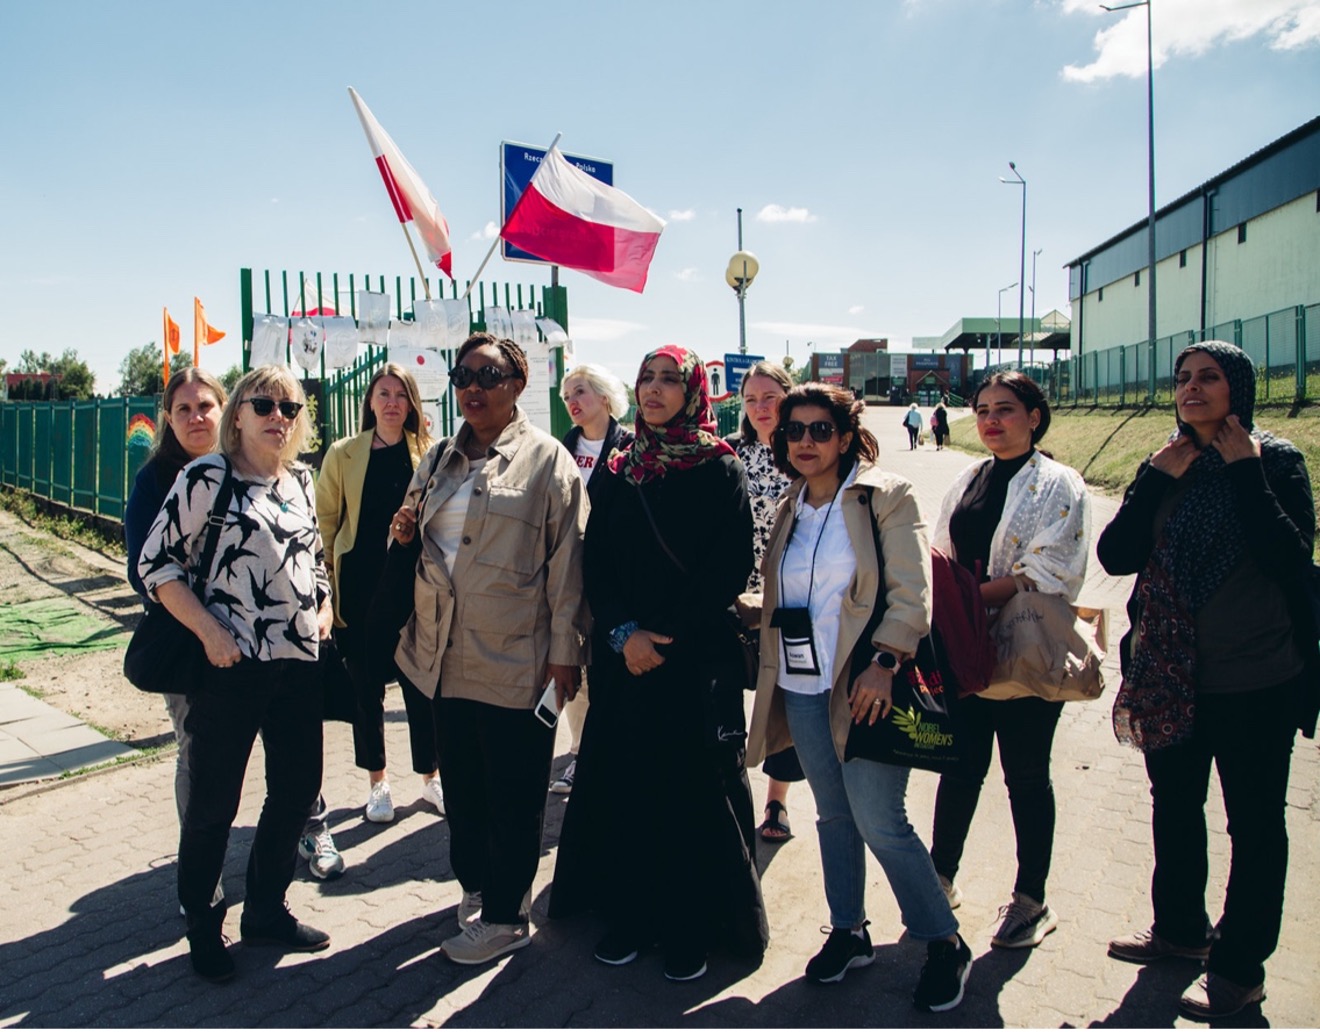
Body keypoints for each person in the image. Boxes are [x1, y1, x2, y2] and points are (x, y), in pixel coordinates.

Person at [1097, 341, 1317, 1021]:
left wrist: (1245, 469)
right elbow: (1115, 554)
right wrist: (1157, 478)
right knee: (1174, 809)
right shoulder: (1165, 461)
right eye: (1183, 378)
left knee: (1254, 827)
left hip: (1256, 681)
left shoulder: (1275, 461)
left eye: (1209, 377)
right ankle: (1181, 934)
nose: (1191, 388)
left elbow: (1291, 558)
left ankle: (1239, 972)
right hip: (1170, 676)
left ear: (1238, 388)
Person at [746, 382, 971, 1013]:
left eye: (820, 430)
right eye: (794, 431)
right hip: (803, 685)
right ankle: (849, 930)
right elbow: (790, 597)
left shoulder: (885, 496)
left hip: (866, 684)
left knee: (880, 819)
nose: (806, 442)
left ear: (846, 437)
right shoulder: (791, 505)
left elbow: (911, 591)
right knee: (834, 817)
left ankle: (943, 942)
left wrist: (885, 661)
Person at [551, 345, 767, 983]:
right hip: (626, 661)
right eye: (646, 377)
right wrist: (623, 633)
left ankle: (691, 926)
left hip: (692, 661)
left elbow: (729, 567)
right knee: (629, 785)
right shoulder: (619, 467)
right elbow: (598, 562)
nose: (654, 389)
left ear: (694, 391)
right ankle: (633, 913)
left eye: (670, 379)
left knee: (692, 793)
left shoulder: (719, 465)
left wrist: (659, 636)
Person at [389, 332, 589, 967]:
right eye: (462, 375)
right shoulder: (440, 457)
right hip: (441, 652)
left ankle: (507, 914)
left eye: (488, 374)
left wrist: (566, 657)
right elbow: (417, 534)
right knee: (466, 788)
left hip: (516, 657)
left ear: (517, 384)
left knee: (514, 790)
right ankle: (477, 886)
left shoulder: (549, 462)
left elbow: (568, 569)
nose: (472, 387)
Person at [139, 366, 334, 982]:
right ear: (240, 414)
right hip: (229, 667)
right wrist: (210, 631)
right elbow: (156, 565)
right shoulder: (207, 476)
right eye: (265, 404)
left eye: (291, 407)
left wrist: (325, 608)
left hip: (298, 665)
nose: (279, 415)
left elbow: (316, 563)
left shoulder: (301, 479)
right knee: (214, 803)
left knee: (299, 789)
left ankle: (267, 909)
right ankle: (203, 922)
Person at [928, 371, 1090, 949]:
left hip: (1022, 651)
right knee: (960, 766)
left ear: (1035, 417)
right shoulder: (969, 477)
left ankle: (1030, 900)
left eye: (1006, 409)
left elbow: (1051, 568)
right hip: (965, 648)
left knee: (1025, 775)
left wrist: (964, 597)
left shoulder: (1060, 484)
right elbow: (943, 550)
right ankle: (938, 879)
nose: (991, 420)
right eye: (983, 410)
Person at [316, 363, 441, 826]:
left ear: (411, 404)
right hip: (362, 588)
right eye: (383, 393)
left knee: (422, 686)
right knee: (366, 690)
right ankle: (378, 784)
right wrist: (326, 579)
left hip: (414, 589)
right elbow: (326, 520)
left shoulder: (428, 451)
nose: (392, 402)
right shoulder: (343, 453)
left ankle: (430, 777)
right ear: (369, 401)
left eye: (401, 395)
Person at [125, 369, 228, 837]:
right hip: (186, 637)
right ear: (168, 418)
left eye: (205, 405)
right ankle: (199, 863)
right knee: (198, 749)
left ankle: (310, 827)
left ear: (224, 409)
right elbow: (140, 570)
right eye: (183, 409)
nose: (196, 417)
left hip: (255, 632)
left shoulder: (247, 467)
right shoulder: (154, 482)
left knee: (285, 735)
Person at [729, 360, 805, 843]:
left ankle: (777, 801)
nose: (760, 408)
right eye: (751, 399)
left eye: (770, 398)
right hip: (737, 599)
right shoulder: (731, 454)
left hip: (791, 599)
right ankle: (731, 793)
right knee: (733, 692)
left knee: (786, 701)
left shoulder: (805, 452)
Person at [552, 362, 634, 795]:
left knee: (611, 669)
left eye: (579, 391)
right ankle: (581, 752)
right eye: (567, 395)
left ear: (604, 396)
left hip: (615, 582)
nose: (572, 402)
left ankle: (614, 754)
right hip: (570, 576)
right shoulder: (560, 449)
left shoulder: (632, 447)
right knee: (572, 671)